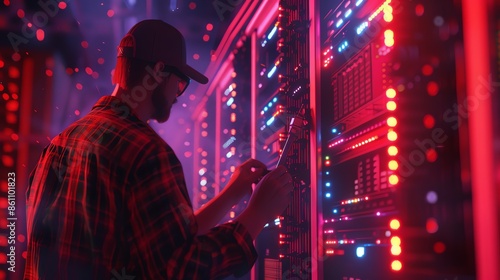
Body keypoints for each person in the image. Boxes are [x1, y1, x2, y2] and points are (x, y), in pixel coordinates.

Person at [24, 19, 293, 280]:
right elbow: (180, 269)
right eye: (179, 84)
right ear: (158, 73)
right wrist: (258, 214)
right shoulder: (146, 152)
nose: (177, 95)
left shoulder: (60, 144)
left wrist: (232, 193)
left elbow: (162, 242)